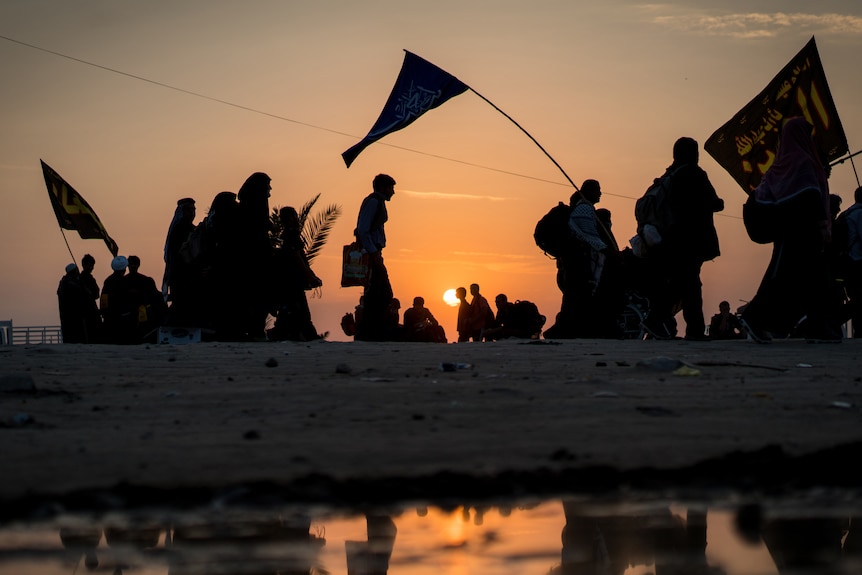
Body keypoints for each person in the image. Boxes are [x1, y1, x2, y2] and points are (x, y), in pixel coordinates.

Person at [739, 117, 840, 343]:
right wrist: (823, 226)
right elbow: (808, 196)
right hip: (796, 231)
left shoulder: (784, 162)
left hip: (792, 230)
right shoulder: (801, 162)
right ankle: (757, 318)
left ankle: (817, 326)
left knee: (803, 277)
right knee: (786, 276)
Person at [640, 137, 724, 341]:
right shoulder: (694, 173)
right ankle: (685, 328)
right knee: (689, 283)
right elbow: (713, 202)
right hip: (691, 239)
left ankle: (660, 321)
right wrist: (719, 202)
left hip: (671, 239)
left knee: (684, 283)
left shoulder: (669, 175)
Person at [545, 180, 615, 338]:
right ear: (589, 191)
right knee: (575, 296)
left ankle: (569, 330)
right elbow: (588, 235)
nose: (600, 193)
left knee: (575, 296)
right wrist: (607, 251)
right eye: (597, 189)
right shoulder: (584, 208)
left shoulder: (585, 208)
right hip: (577, 259)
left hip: (575, 259)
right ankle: (563, 331)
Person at [268, 206, 323, 342]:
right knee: (301, 310)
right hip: (293, 280)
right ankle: (309, 336)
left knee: (290, 310)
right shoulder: (291, 235)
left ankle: (285, 333)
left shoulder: (285, 235)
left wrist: (311, 274)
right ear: (291, 218)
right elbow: (297, 257)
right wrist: (310, 276)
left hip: (289, 279)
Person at [354, 174, 396, 341]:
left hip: (374, 251)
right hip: (371, 253)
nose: (393, 192)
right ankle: (369, 331)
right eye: (391, 188)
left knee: (375, 293)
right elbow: (363, 229)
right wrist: (373, 252)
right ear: (383, 188)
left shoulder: (377, 202)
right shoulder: (373, 202)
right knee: (382, 293)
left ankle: (370, 332)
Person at [162, 197, 197, 325]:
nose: (192, 213)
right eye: (189, 210)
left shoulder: (192, 228)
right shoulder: (179, 230)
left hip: (190, 275)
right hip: (181, 275)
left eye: (193, 210)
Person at [123, 255, 167, 343]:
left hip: (145, 313)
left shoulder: (146, 280)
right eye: (131, 264)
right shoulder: (123, 281)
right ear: (127, 265)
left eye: (135, 264)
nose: (133, 266)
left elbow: (155, 296)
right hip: (129, 314)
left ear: (138, 265)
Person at [837, 186, 862, 337]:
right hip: (858, 263)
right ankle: (833, 320)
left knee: (857, 299)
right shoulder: (860, 214)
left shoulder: (847, 213)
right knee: (859, 302)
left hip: (848, 265)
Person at [57, 263, 90, 343]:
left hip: (65, 316)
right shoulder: (72, 284)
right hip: (74, 315)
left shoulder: (63, 283)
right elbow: (82, 296)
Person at [100, 256, 129, 344]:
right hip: (122, 317)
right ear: (124, 269)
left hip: (109, 317)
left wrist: (104, 312)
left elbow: (104, 298)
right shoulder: (125, 281)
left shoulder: (108, 281)